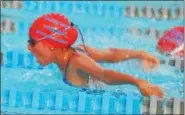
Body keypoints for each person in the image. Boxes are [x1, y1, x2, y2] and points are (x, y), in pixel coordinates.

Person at [28, 13, 163, 98]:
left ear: (51, 44)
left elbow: (105, 75)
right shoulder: (78, 50)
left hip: (104, 99)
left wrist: (138, 82)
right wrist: (140, 54)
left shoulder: (76, 61)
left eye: (32, 42)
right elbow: (111, 54)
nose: (29, 47)